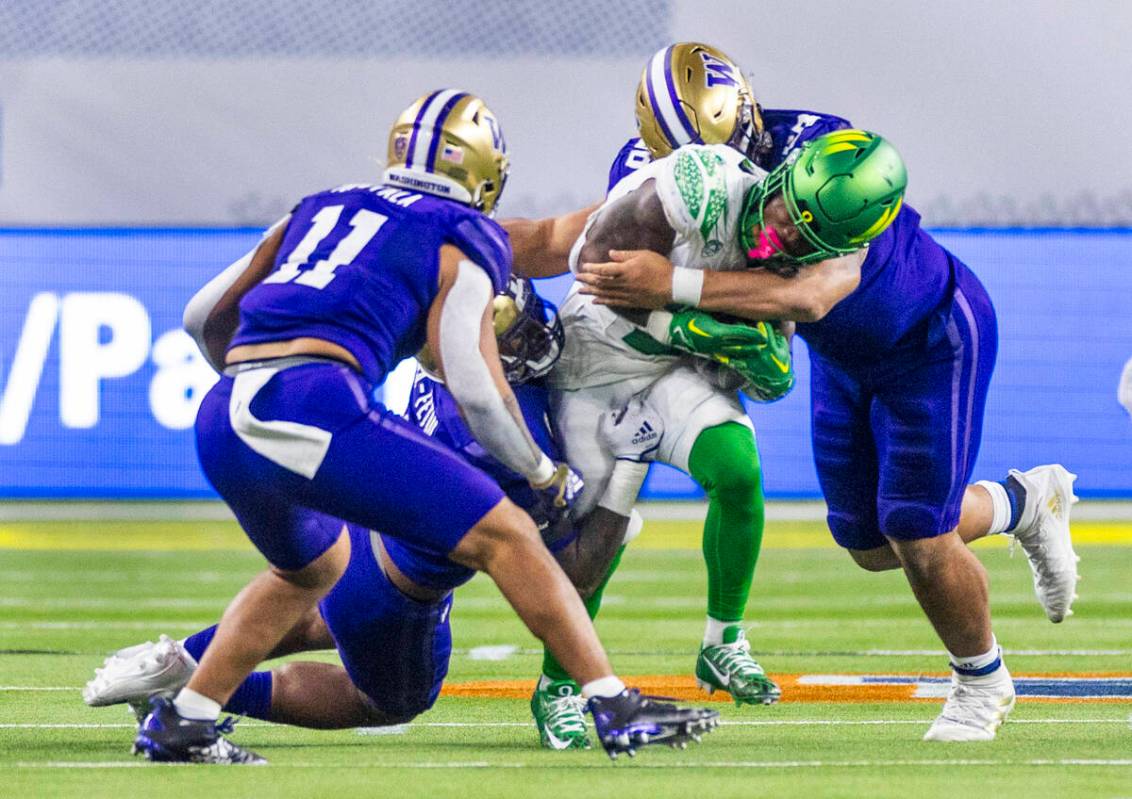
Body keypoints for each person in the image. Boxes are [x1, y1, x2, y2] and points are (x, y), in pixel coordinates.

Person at [132, 89, 717, 764]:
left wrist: (251, 372)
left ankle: (185, 718)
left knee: (310, 570)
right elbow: (476, 386)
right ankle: (612, 702)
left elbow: (202, 315)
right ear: (486, 173)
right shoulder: (459, 235)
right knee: (508, 532)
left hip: (224, 412)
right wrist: (541, 472)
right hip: (310, 401)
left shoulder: (325, 204)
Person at [575, 121, 1080, 741]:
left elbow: (812, 295)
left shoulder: (844, 187)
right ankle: (1024, 502)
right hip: (844, 357)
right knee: (868, 547)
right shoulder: (736, 153)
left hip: (927, 344)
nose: (778, 231)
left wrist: (673, 286)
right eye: (783, 209)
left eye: (800, 231)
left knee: (918, 536)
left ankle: (982, 682)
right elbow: (585, 229)